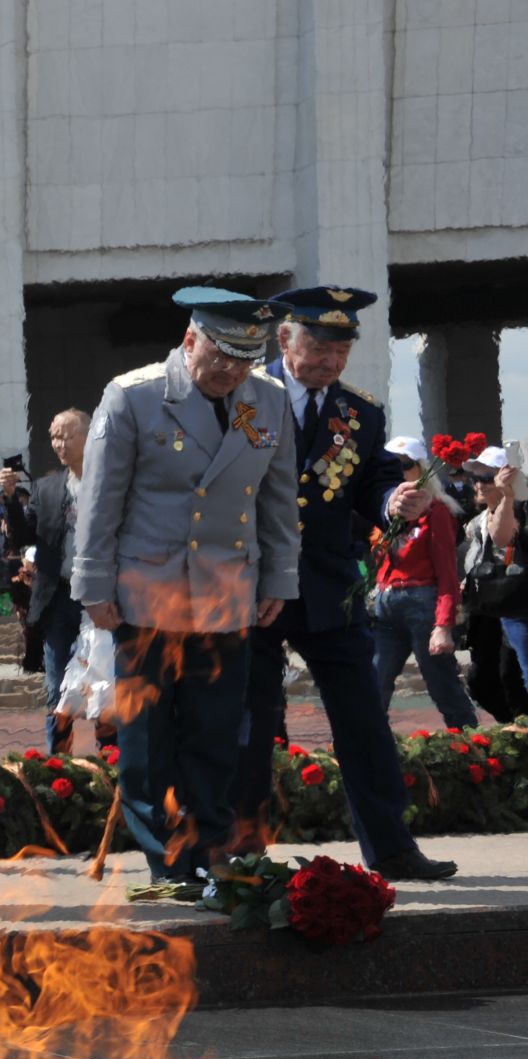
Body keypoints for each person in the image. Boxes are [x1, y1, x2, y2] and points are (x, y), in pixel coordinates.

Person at [72, 287, 298, 888]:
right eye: (219, 357)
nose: (229, 372)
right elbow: (99, 504)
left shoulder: (268, 401)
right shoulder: (133, 397)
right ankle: (168, 861)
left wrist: (279, 576)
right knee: (147, 743)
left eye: (244, 361)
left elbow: (277, 497)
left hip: (228, 593)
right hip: (147, 595)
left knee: (216, 733)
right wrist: (93, 585)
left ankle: (211, 847)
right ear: (189, 340)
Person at [232, 287, 455, 880]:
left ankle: (391, 848)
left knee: (362, 720)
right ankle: (240, 853)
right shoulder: (242, 397)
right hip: (252, 588)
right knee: (250, 723)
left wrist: (395, 499)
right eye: (319, 348)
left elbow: (373, 485)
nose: (330, 362)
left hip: (330, 587)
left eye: (341, 351)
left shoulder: (360, 412)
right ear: (285, 341)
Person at [372, 436, 477, 728]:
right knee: (373, 682)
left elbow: (447, 573)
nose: (397, 473)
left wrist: (443, 625)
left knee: (441, 683)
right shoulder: (382, 514)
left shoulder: (436, 513)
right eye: (389, 466)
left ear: (420, 469)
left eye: (404, 466)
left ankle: (472, 748)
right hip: (386, 604)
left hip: (422, 603)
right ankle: (366, 752)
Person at [0, 409, 89, 752]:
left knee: (107, 687)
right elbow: (24, 534)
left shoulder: (110, 479)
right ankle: (59, 763)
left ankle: (113, 764)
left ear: (88, 435)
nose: (60, 443)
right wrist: (9, 499)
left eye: (67, 435)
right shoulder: (46, 487)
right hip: (57, 597)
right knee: (57, 687)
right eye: (54, 436)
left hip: (102, 599)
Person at [464, 447, 528, 698]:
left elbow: (502, 538)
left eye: (487, 478)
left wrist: (507, 496)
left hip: (515, 602)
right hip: (496, 606)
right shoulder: (478, 520)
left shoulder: (519, 508)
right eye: (475, 479)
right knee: (502, 676)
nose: (479, 485)